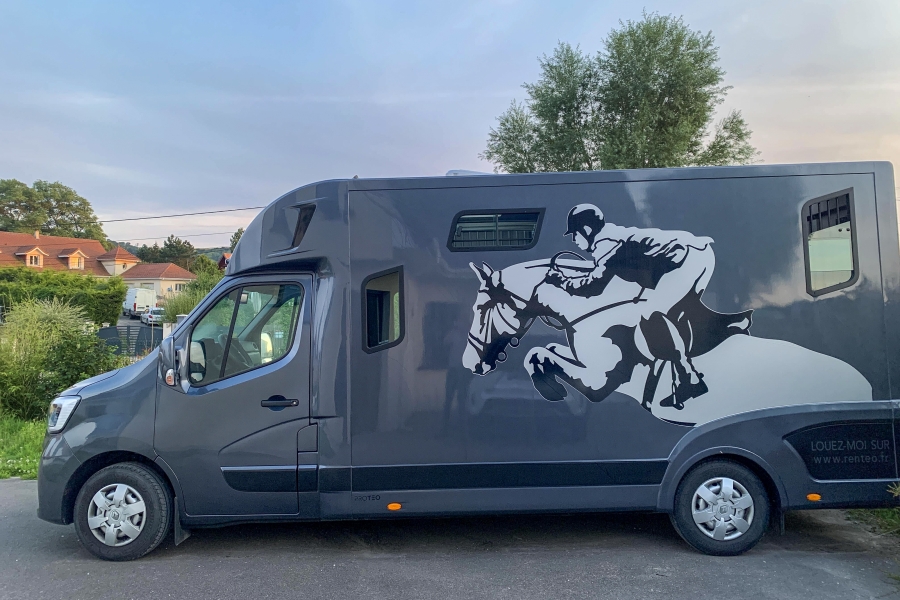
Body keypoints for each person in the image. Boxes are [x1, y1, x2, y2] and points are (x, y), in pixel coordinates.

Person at [545, 204, 716, 406]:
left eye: (575, 234)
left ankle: (689, 379)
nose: (574, 240)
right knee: (650, 309)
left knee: (650, 313)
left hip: (691, 260)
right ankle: (683, 377)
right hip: (691, 257)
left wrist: (560, 281)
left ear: (587, 230)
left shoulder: (606, 243)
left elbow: (593, 287)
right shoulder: (610, 239)